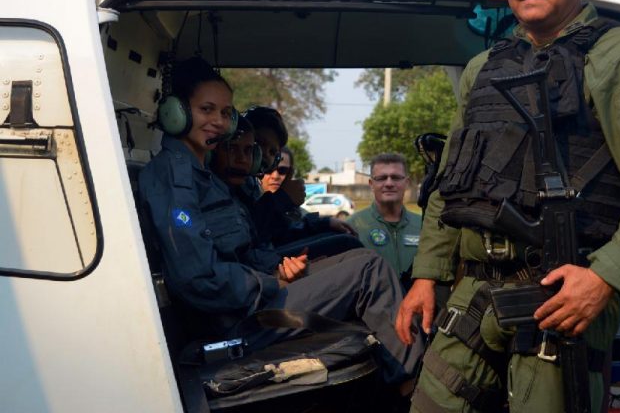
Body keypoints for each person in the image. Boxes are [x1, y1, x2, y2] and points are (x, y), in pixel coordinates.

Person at [395, 0, 620, 413]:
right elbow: (453, 180)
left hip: (562, 289)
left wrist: (605, 278)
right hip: (473, 289)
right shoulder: (484, 67)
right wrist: (428, 275)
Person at [138, 57, 424, 385]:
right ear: (178, 112)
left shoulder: (202, 174)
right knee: (369, 274)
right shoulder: (174, 178)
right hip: (233, 323)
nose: (218, 121)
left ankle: (399, 371)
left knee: (355, 253)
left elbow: (241, 249)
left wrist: (275, 267)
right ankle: (414, 388)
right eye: (206, 110)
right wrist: (272, 281)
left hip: (245, 303)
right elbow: (199, 279)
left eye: (225, 113)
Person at [210, 118, 361, 259]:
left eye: (282, 170)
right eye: (258, 147)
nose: (264, 160)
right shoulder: (217, 189)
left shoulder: (247, 190)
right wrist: (281, 200)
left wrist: (323, 223)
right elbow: (245, 242)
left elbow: (280, 234)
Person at [348, 153, 422, 285]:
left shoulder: (424, 226)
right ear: (371, 184)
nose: (389, 183)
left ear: (407, 183)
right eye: (381, 178)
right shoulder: (352, 226)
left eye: (396, 177)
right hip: (372, 305)